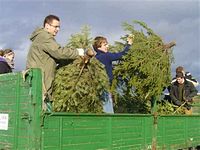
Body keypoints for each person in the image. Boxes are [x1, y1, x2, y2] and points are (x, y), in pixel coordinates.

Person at [26, 14, 84, 111]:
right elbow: (59, 52)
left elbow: (55, 57)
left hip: (39, 83)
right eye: (55, 26)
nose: (57, 29)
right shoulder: (45, 37)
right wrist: (77, 52)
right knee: (44, 114)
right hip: (41, 85)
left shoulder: (40, 37)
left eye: (59, 27)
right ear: (47, 25)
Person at [93, 35, 134, 113]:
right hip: (105, 85)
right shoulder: (106, 56)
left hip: (98, 85)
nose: (108, 46)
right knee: (107, 108)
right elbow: (122, 54)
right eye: (105, 45)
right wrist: (129, 44)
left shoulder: (96, 57)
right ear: (98, 47)